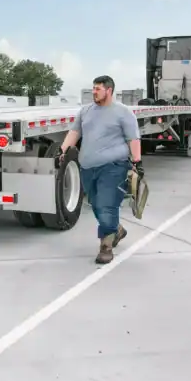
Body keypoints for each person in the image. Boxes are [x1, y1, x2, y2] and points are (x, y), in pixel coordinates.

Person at [57, 75, 144, 264]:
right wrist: (62, 150)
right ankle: (116, 230)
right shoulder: (86, 111)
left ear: (109, 90)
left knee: (106, 204)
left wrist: (137, 161)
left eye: (98, 88)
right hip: (88, 167)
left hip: (114, 166)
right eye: (93, 88)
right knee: (96, 205)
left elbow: (133, 139)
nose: (94, 92)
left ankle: (106, 246)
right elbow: (75, 132)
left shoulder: (123, 113)